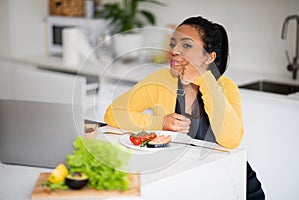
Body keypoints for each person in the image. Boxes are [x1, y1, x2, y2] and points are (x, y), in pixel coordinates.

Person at [104, 16, 265, 199]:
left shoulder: (225, 87)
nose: (174, 51)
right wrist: (160, 122)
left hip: (232, 181)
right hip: (183, 180)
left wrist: (204, 79)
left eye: (186, 45)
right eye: (173, 44)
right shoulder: (161, 80)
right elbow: (113, 113)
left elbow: (231, 139)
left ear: (208, 57)